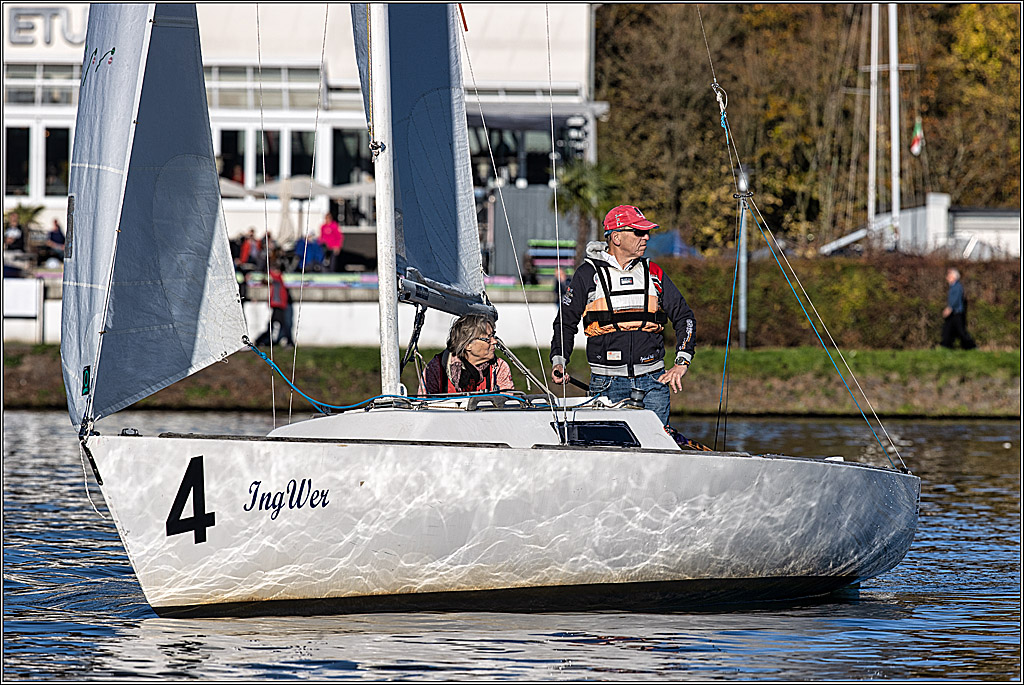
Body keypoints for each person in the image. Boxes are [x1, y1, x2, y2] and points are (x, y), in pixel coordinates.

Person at [550, 204, 697, 430]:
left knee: (656, 455)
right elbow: (565, 322)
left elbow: (684, 317)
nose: (646, 237)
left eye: (647, 232)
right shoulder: (588, 274)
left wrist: (682, 361)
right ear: (616, 237)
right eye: (638, 232)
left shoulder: (653, 272)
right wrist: (559, 361)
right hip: (607, 384)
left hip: (654, 383)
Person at [420, 314, 514, 394]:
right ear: (468, 345)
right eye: (487, 338)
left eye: (493, 336)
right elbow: (424, 407)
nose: (494, 341)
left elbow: (508, 405)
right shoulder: (437, 367)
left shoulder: (499, 367)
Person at [254, 258, 295, 348]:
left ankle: (262, 340)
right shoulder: (277, 278)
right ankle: (263, 340)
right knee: (279, 325)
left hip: (279, 305)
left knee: (277, 325)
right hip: (278, 305)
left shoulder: (278, 278)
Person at [941, 267, 976, 350]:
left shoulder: (957, 287)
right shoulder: (953, 286)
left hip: (956, 313)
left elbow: (956, 299)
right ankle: (946, 347)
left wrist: (949, 308)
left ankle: (971, 347)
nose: (947, 278)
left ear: (954, 277)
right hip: (954, 313)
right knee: (947, 331)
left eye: (949, 276)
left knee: (961, 332)